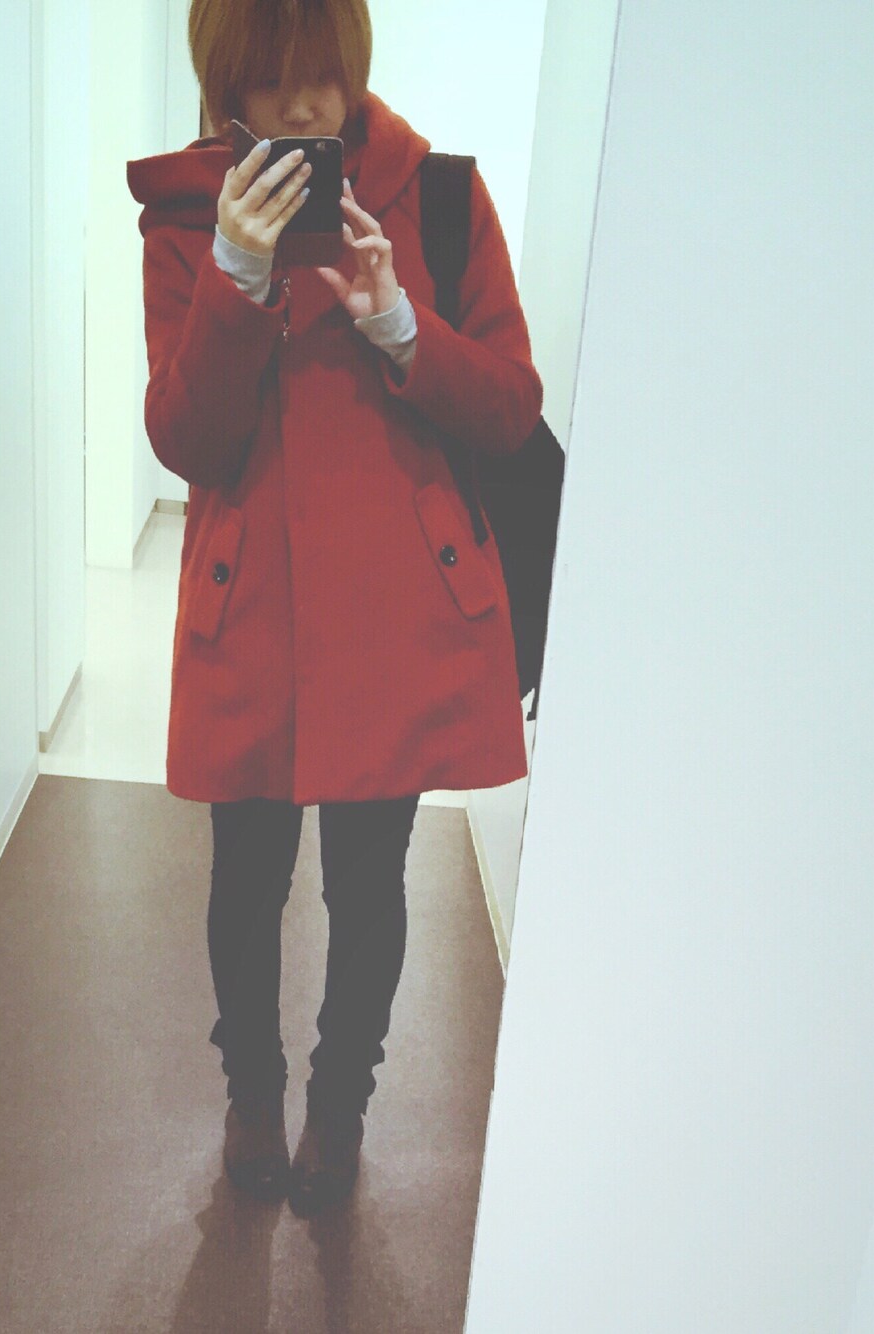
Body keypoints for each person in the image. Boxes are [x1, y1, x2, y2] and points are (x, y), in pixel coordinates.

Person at [126, 0, 542, 1215]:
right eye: (270, 80)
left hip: (397, 617)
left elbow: (510, 408)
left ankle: (342, 1102)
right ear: (226, 88)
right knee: (244, 881)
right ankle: (251, 1093)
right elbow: (187, 439)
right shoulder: (185, 221)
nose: (304, 104)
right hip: (251, 606)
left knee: (369, 884)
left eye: (321, 72)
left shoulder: (440, 196)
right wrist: (235, 278)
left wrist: (400, 325)